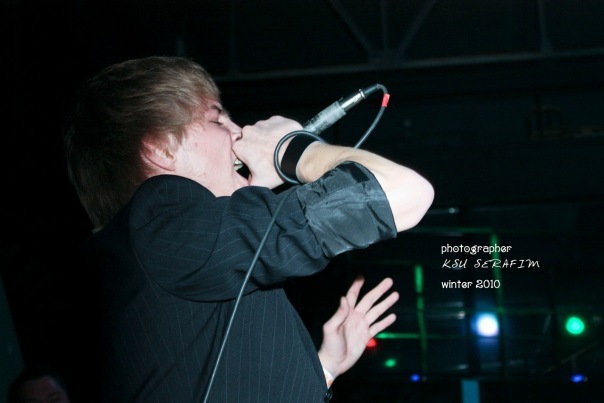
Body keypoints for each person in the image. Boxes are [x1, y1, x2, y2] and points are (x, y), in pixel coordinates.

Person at [63, 56, 434, 402]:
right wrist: (292, 149)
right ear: (162, 149)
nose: (238, 132)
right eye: (217, 120)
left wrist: (323, 367)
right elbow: (403, 192)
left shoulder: (170, 249)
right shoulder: (161, 215)